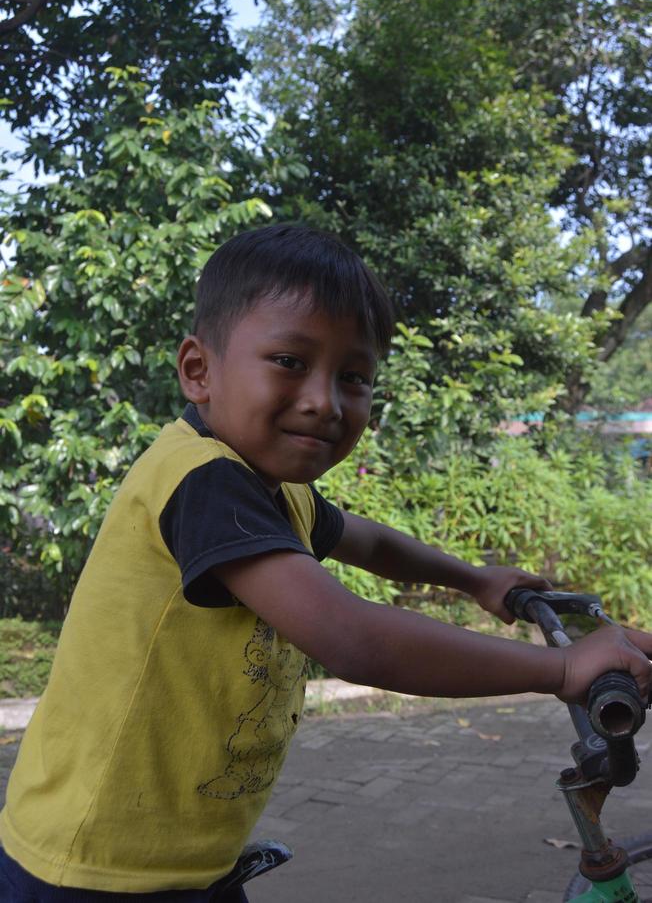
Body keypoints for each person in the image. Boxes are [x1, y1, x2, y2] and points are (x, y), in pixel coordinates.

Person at [1, 224, 651, 902]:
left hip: (186, 864)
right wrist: (563, 667)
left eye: (355, 377)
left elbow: (364, 539)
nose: (325, 400)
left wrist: (475, 578)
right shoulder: (197, 479)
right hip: (91, 869)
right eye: (289, 360)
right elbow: (351, 638)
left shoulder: (278, 493)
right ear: (199, 371)